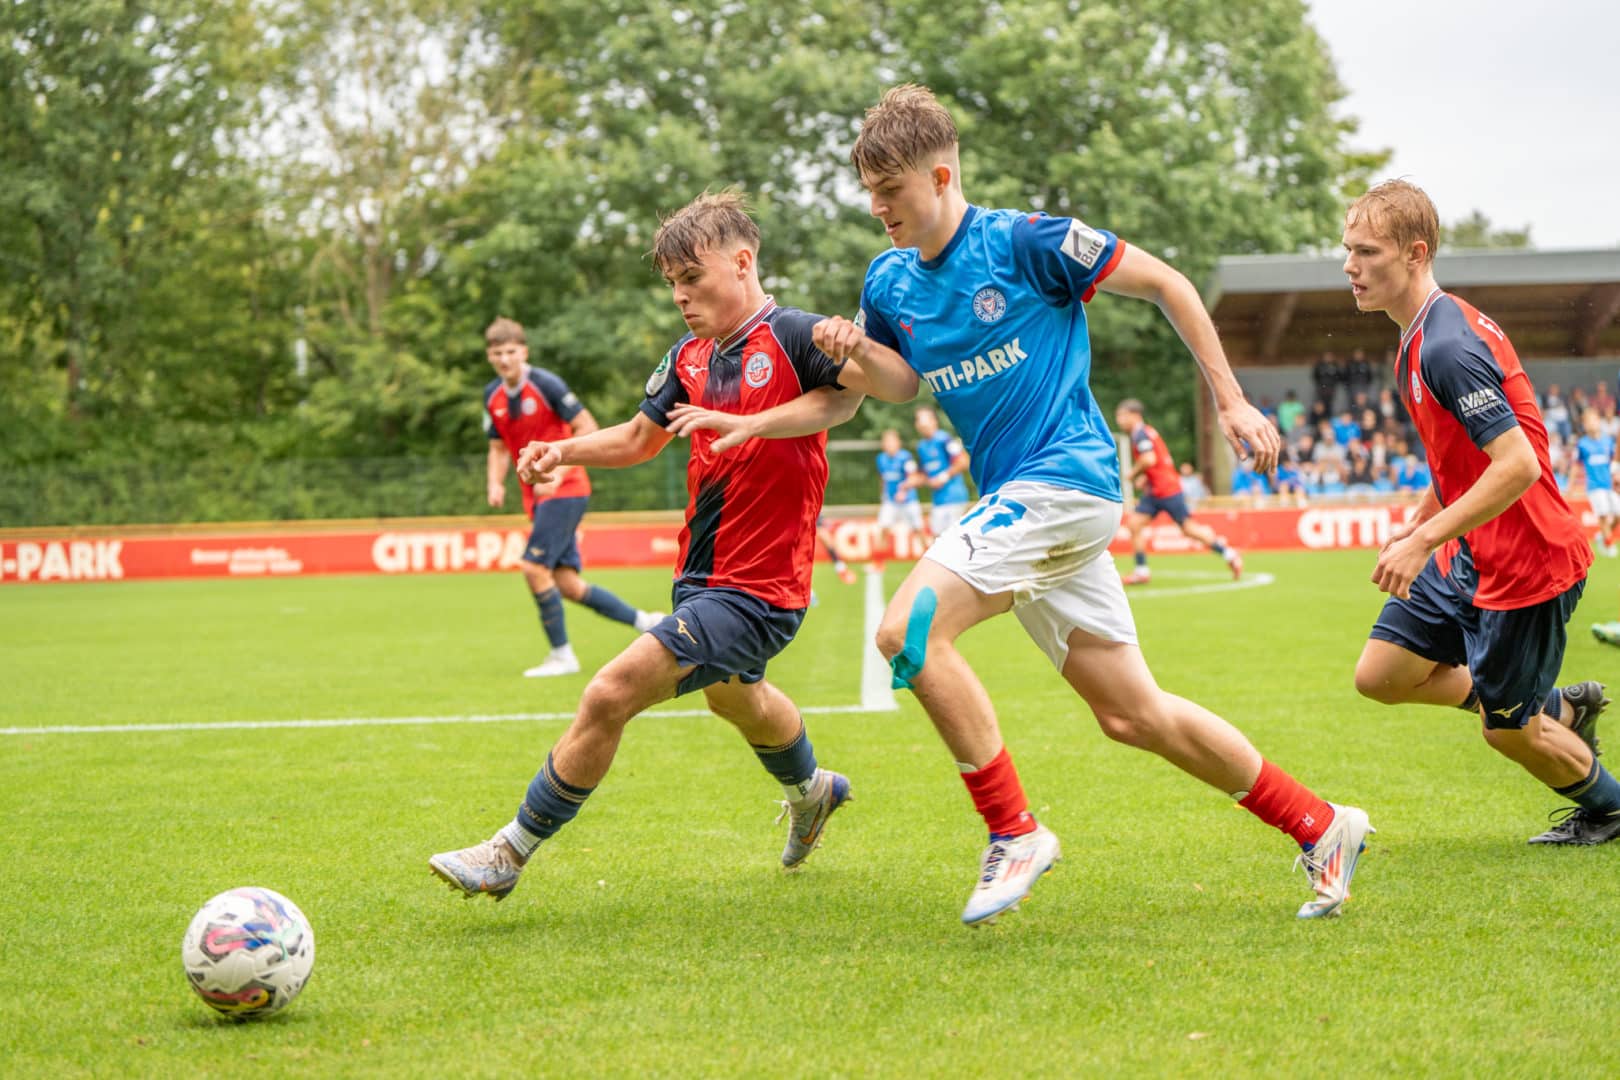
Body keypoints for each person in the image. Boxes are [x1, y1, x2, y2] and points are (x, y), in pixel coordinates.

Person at [691, 85, 1373, 925]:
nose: (878, 209)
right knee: (1132, 714)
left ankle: (1013, 831)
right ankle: (1321, 826)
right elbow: (898, 386)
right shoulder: (891, 280)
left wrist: (1230, 401)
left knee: (906, 630)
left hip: (1066, 479)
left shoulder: (1027, 241)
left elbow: (1168, 283)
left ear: (940, 176)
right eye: (869, 193)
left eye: (891, 191)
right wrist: (854, 347)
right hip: (1027, 503)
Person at [429, 192, 854, 900]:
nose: (681, 297)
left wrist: (840, 351)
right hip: (702, 580)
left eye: (693, 278)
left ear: (743, 261)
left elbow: (857, 392)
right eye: (672, 285)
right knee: (735, 702)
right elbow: (634, 438)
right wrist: (560, 451)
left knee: (609, 691)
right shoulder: (687, 357)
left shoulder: (800, 336)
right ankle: (813, 789)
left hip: (761, 589)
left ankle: (508, 852)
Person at [1343, 179, 1617, 846]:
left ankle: (1609, 808)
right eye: (1346, 250)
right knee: (1381, 674)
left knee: (1506, 733)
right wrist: (1423, 520)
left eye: (1366, 251)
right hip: (1472, 548)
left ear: (1415, 253)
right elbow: (1461, 457)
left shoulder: (1445, 346)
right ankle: (1557, 706)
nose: (1350, 266)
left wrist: (1421, 539)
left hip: (1530, 562)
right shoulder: (1418, 333)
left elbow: (1518, 465)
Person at [481, 317, 661, 677]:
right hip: (537, 495)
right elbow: (498, 448)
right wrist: (495, 484)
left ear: (524, 352)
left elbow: (587, 426)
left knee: (533, 568)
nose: (505, 360)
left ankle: (562, 655)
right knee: (566, 584)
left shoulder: (546, 384)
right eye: (498, 353)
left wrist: (558, 471)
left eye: (511, 352)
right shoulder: (492, 396)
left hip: (565, 488)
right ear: (489, 356)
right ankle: (647, 621)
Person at [1115, 399, 1244, 583]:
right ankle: (1142, 571)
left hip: (1166, 490)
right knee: (1135, 525)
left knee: (1189, 530)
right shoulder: (1147, 432)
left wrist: (1132, 474)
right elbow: (1158, 461)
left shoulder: (1140, 434)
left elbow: (1149, 459)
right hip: (1157, 490)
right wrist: (1146, 477)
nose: (1119, 420)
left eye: (1122, 416)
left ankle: (1229, 554)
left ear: (1135, 415)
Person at [912, 406, 972, 535]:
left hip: (954, 497)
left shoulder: (945, 439)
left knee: (951, 538)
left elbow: (963, 462)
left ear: (934, 421)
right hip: (938, 500)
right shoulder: (921, 447)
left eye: (924, 419)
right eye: (918, 420)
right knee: (937, 538)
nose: (921, 423)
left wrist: (943, 477)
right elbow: (923, 474)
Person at [1575, 409, 1619, 556]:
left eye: (1594, 420)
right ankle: (1608, 544)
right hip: (1594, 486)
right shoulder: (1582, 444)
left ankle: (1601, 536)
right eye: (1588, 422)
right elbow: (1576, 465)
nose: (1591, 424)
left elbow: (1614, 460)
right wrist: (1571, 485)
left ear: (1599, 421)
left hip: (1609, 484)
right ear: (1584, 425)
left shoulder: (1608, 441)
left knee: (1618, 514)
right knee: (1604, 514)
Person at [875, 427, 924, 551]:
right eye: (886, 442)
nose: (889, 445)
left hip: (908, 500)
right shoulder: (881, 459)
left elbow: (914, 477)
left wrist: (903, 490)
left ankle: (928, 556)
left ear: (898, 443)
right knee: (883, 529)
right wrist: (883, 495)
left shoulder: (905, 457)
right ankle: (878, 564)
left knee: (918, 530)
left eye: (891, 441)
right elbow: (883, 478)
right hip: (891, 501)